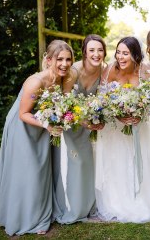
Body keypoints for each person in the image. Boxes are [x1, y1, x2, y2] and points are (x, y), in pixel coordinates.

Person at [0, 40, 76, 236]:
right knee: (28, 171)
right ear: (48, 60)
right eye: (59, 59)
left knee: (42, 171)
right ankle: (22, 217)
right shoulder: (35, 81)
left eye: (68, 59)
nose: (64, 63)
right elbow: (23, 114)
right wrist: (48, 124)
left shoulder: (64, 79)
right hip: (23, 128)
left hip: (42, 128)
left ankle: (40, 215)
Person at [94, 36, 150, 222]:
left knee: (139, 158)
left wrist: (140, 113)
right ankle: (117, 200)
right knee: (117, 161)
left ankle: (140, 197)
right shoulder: (111, 69)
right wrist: (118, 114)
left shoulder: (144, 70)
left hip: (139, 125)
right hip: (116, 126)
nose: (120, 57)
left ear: (135, 55)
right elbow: (101, 98)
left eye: (125, 53)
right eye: (118, 52)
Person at [52, 35, 106, 224]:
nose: (96, 54)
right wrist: (83, 121)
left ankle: (88, 205)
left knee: (89, 164)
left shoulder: (105, 72)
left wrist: (101, 118)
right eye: (91, 50)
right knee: (76, 164)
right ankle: (71, 206)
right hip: (71, 123)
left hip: (90, 124)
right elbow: (66, 103)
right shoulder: (73, 72)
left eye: (100, 50)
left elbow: (104, 100)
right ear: (84, 52)